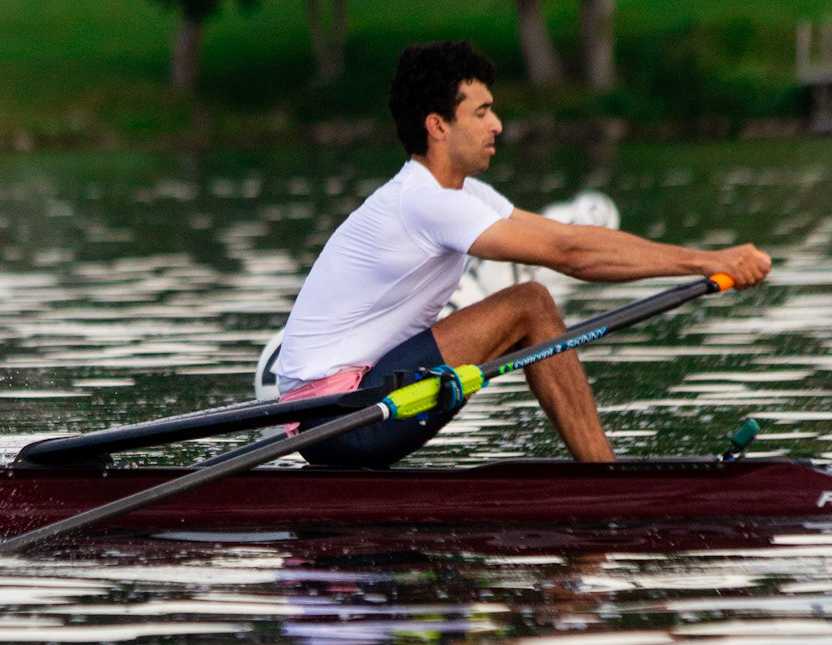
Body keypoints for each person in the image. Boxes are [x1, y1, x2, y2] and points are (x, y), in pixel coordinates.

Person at [276, 39, 771, 467]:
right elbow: (570, 255)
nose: (497, 125)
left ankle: (601, 474)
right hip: (337, 418)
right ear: (438, 126)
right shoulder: (424, 202)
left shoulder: (467, 195)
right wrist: (708, 261)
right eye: (481, 112)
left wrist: (704, 260)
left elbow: (572, 237)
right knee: (530, 304)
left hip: (360, 402)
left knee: (530, 307)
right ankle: (604, 479)